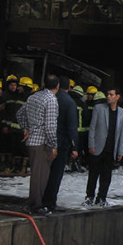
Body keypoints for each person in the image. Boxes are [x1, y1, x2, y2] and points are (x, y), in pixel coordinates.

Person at [17, 75, 59, 215]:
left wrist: (26, 128)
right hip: (42, 141)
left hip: (32, 141)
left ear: (43, 83)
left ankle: (35, 203)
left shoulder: (33, 97)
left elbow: (20, 113)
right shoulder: (51, 100)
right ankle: (36, 205)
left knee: (36, 174)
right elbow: (50, 126)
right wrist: (53, 145)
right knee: (40, 176)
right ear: (57, 86)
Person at [42, 76, 79, 211]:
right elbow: (72, 127)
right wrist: (74, 147)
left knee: (42, 172)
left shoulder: (44, 99)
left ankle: (38, 199)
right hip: (60, 143)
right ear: (68, 88)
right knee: (55, 174)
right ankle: (49, 202)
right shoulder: (69, 103)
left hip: (42, 141)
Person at [86, 86, 123, 206]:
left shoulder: (122, 114)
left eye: (111, 94)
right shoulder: (99, 109)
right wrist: (91, 144)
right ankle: (89, 196)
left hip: (111, 148)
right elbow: (92, 128)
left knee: (106, 175)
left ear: (117, 97)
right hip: (98, 146)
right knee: (93, 174)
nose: (108, 96)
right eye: (107, 94)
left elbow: (122, 134)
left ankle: (102, 197)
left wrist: (121, 151)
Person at [1, 75, 27, 173]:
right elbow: (9, 114)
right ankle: (16, 167)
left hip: (22, 130)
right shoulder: (14, 97)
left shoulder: (27, 99)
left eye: (17, 85)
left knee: (22, 149)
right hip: (15, 129)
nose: (16, 87)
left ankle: (22, 167)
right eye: (12, 85)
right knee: (14, 148)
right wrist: (6, 125)